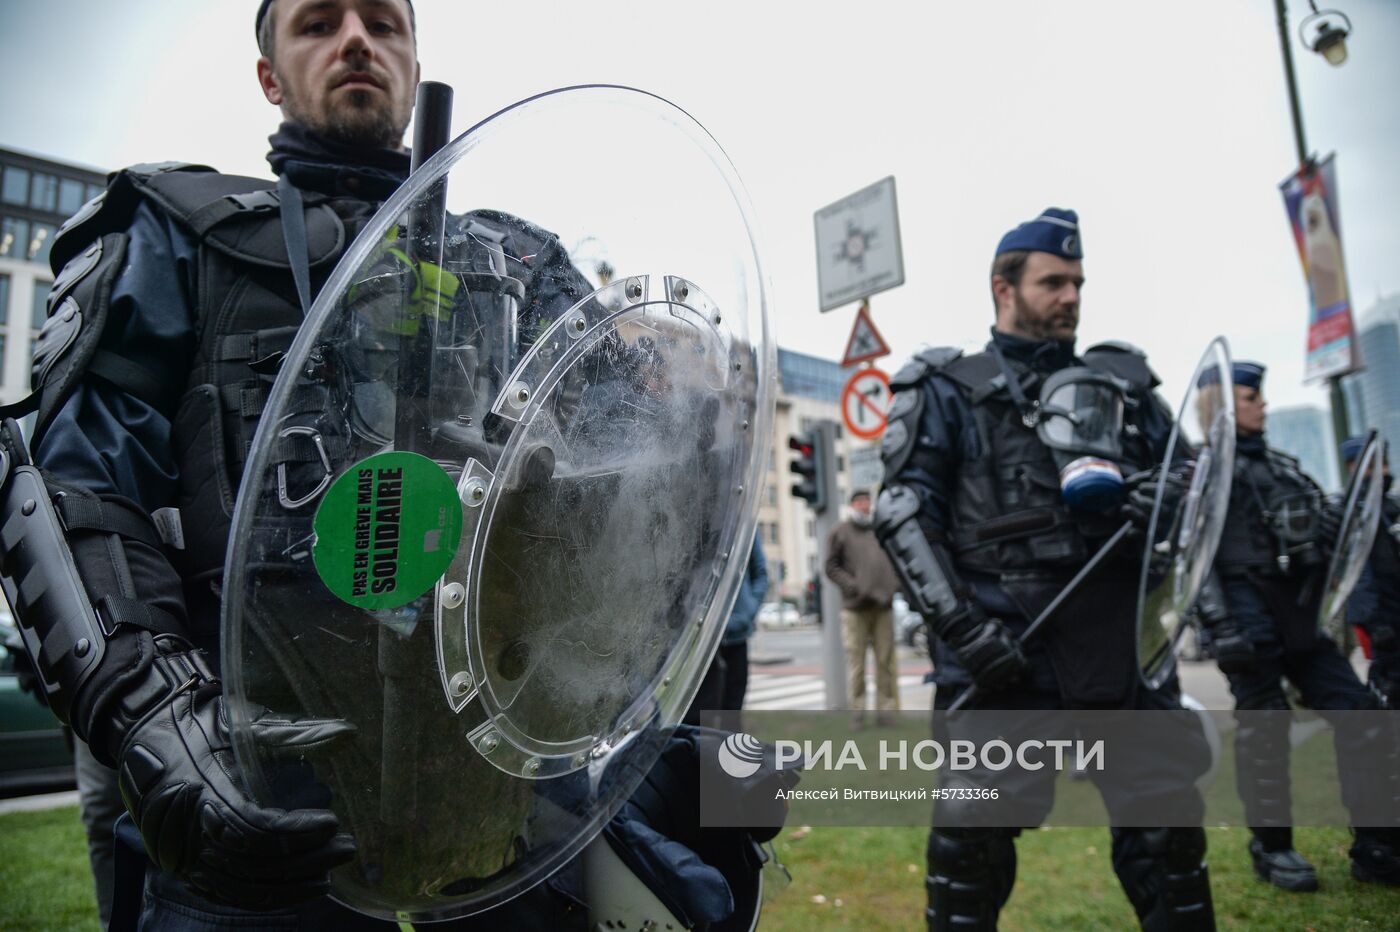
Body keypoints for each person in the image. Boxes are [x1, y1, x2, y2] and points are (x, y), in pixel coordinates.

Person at [1, 1, 779, 927]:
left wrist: (632, 740)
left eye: (384, 21)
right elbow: (78, 490)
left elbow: (627, 516)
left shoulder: (527, 265)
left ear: (415, 61)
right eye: (319, 22)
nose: (357, 39)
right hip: (257, 791)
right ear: (269, 76)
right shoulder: (179, 233)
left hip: (507, 797)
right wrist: (158, 726)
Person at [876, 207, 1217, 930]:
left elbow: (1201, 494)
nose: (1071, 297)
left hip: (1121, 654)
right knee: (969, 861)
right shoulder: (943, 388)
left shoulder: (1127, 390)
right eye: (1053, 282)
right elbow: (904, 513)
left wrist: (1166, 497)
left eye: (1078, 284)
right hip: (1001, 656)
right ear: (1003, 287)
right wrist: (966, 634)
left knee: (1170, 847)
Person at [1199, 378, 1400, 892]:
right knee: (1265, 732)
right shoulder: (1202, 473)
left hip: (1301, 618)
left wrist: (1342, 522)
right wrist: (1221, 625)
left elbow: (1322, 544)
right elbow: (1194, 561)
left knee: (1364, 718)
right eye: (1250, 398)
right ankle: (1273, 847)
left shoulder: (1285, 468)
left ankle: (1377, 844)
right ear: (1222, 406)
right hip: (1248, 622)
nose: (1262, 404)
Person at [825, 489, 901, 727]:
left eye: (867, 502)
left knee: (885, 662)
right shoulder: (840, 532)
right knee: (857, 664)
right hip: (855, 608)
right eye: (859, 502)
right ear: (852, 505)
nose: (864, 506)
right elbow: (830, 566)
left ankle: (885, 713)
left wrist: (893, 585)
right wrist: (853, 586)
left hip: (883, 607)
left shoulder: (880, 530)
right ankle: (857, 714)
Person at [1342, 436, 1400, 709]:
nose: (1384, 471)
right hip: (1381, 617)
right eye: (1375, 465)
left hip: (1393, 605)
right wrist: (1375, 624)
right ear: (1354, 468)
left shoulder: (1392, 507)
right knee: (1390, 682)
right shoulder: (1352, 513)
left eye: (1385, 464)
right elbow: (1356, 575)